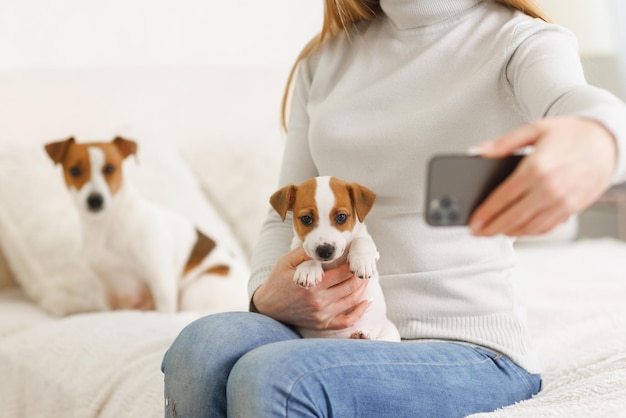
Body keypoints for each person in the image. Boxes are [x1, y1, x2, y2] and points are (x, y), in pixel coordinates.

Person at [162, 0, 626, 416]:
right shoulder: (322, 61)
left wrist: (597, 138)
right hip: (327, 332)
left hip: (469, 345)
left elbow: (577, 102)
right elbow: (280, 211)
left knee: (275, 377)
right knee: (202, 347)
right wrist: (267, 295)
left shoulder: (518, 40)